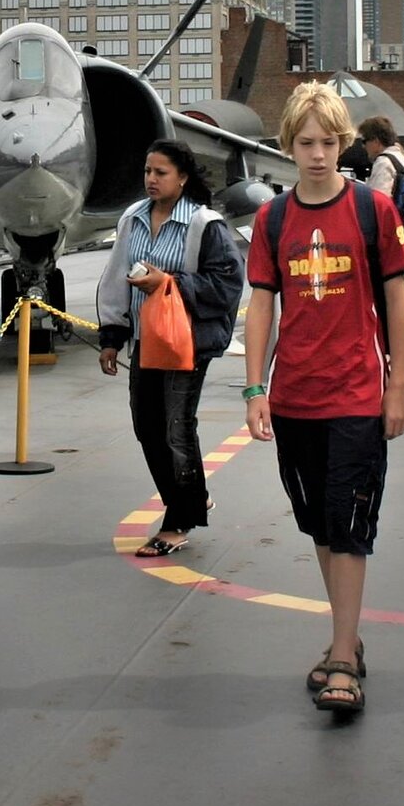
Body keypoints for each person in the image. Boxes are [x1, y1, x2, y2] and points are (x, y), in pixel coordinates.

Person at [244, 82, 404, 717]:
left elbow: (396, 303)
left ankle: (343, 655)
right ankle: (347, 636)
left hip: (355, 395)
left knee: (349, 526)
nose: (317, 155)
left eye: (328, 142)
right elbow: (262, 305)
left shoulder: (374, 211)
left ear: (344, 143)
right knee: (320, 522)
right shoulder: (272, 220)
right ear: (288, 146)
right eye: (305, 143)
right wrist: (255, 388)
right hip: (295, 397)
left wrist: (397, 386)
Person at [96, 140, 247, 557]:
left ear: (182, 177)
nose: (151, 179)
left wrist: (169, 283)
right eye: (148, 171)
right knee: (146, 425)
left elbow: (227, 283)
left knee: (176, 427)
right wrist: (112, 337)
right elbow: (115, 277)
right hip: (146, 341)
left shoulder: (204, 224)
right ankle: (192, 497)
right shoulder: (133, 219)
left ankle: (179, 520)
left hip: (186, 343)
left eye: (161, 172)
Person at [359, 115, 404, 388]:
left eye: (365, 141)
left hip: (389, 250)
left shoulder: (384, 163)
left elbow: (376, 204)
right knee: (403, 309)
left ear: (376, 141)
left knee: (396, 312)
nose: (364, 147)